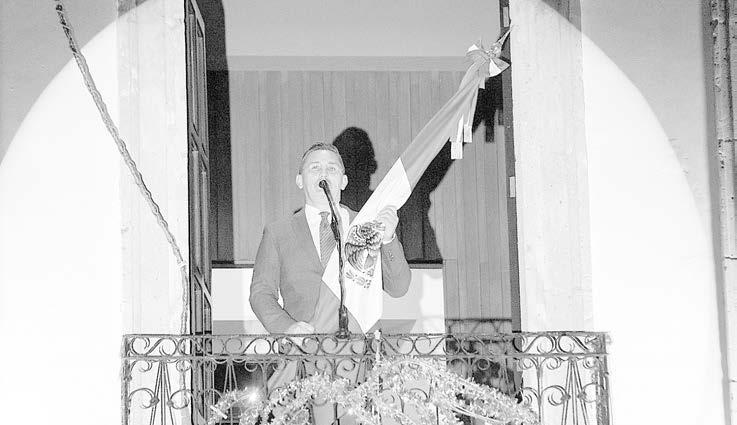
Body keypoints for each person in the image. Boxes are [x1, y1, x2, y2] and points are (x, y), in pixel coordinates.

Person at [249, 142, 411, 334]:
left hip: (359, 347)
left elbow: (398, 288)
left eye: (331, 169)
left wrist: (388, 239)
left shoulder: (366, 225)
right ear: (299, 181)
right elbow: (261, 293)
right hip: (304, 347)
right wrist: (287, 327)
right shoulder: (278, 232)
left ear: (344, 181)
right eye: (315, 168)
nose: (323, 174)